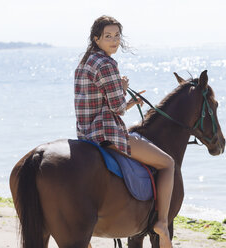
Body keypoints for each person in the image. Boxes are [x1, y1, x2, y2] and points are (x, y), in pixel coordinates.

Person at [74, 15, 174, 248]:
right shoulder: (107, 64)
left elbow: (101, 103)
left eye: (117, 36)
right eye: (108, 36)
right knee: (168, 163)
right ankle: (161, 222)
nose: (114, 41)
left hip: (84, 134)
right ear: (96, 38)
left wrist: (130, 102)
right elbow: (117, 107)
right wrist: (124, 88)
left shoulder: (85, 62)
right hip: (106, 134)